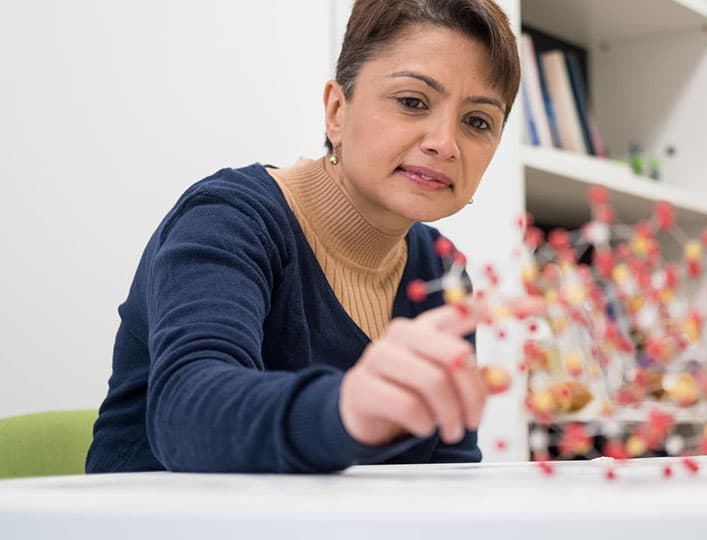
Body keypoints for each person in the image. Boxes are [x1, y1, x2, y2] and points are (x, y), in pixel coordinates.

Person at [86, 0, 526, 474]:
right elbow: (186, 414)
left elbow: (449, 472)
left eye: (477, 121)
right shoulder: (228, 218)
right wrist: (345, 409)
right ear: (337, 111)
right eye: (412, 102)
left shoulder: (440, 270)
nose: (445, 142)